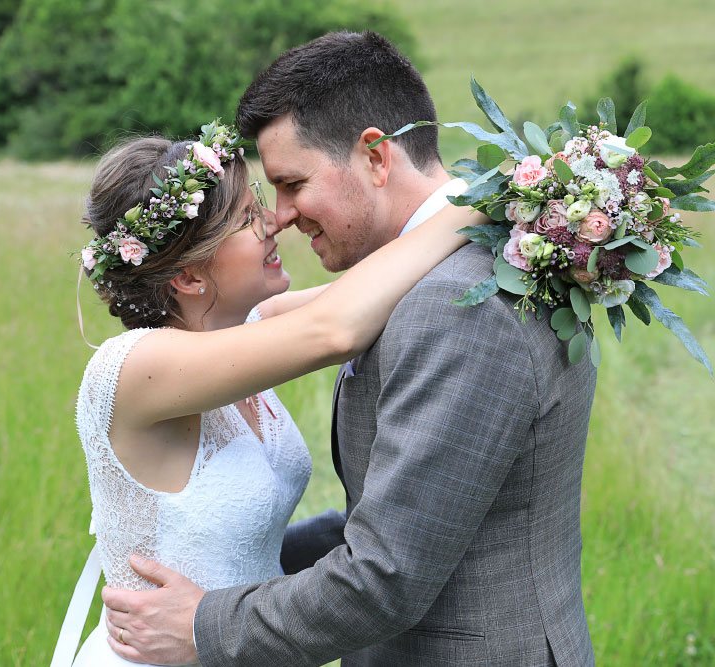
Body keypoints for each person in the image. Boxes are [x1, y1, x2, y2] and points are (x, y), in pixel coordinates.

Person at [102, 32, 598, 667]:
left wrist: (206, 626)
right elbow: (398, 509)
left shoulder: (461, 309)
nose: (279, 217)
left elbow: (386, 574)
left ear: (376, 157)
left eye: (290, 183)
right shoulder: (448, 274)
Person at [53, 118, 486, 667]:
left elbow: (374, 289)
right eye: (244, 219)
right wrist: (486, 199)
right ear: (188, 279)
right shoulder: (138, 366)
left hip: (228, 642)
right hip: (160, 654)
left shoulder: (245, 325)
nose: (273, 223)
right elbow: (336, 329)